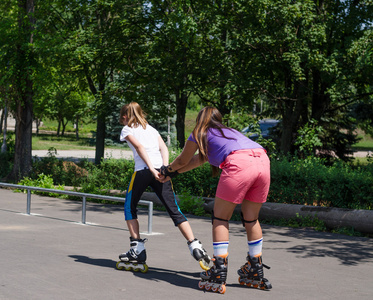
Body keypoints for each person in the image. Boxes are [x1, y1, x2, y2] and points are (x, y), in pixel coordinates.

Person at [159, 106, 272, 294]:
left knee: (220, 218)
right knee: (251, 219)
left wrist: (166, 170)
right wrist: (174, 174)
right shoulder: (228, 132)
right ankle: (255, 268)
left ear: (200, 119)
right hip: (262, 160)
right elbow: (196, 161)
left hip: (239, 164)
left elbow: (182, 160)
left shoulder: (199, 132)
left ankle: (218, 271)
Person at [116, 102, 210, 273]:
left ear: (124, 117)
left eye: (122, 119)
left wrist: (151, 169)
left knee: (130, 207)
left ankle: (137, 249)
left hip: (143, 171)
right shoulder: (152, 129)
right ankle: (195, 245)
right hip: (161, 171)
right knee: (175, 210)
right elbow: (163, 147)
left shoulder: (127, 129)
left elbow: (139, 147)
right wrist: (165, 169)